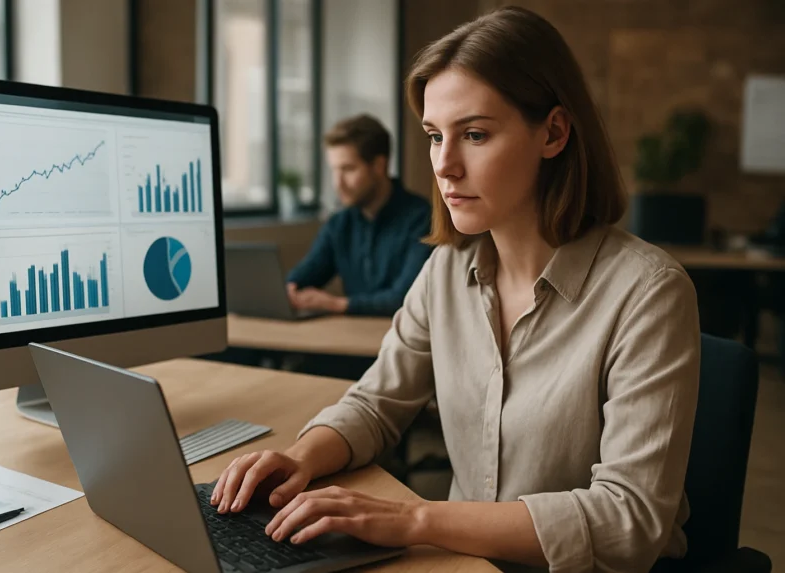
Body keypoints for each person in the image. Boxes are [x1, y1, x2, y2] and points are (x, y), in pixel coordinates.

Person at [211, 7, 700, 573]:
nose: (444, 166)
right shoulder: (446, 269)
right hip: (466, 559)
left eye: (474, 134)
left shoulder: (649, 293)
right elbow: (376, 404)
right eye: (434, 136)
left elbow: (628, 521)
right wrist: (299, 458)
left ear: (555, 133)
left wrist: (416, 521)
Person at [286, 114, 432, 317]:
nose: (338, 183)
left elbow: (405, 298)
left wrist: (336, 304)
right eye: (334, 170)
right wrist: (289, 289)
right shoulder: (339, 223)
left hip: (403, 341)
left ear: (379, 166)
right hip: (351, 339)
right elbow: (305, 275)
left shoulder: (422, 219)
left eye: (348, 169)